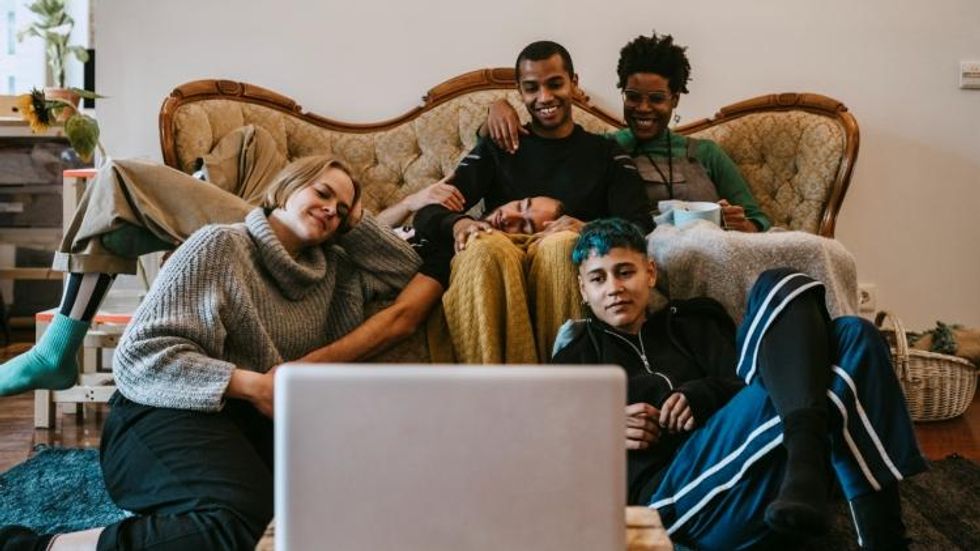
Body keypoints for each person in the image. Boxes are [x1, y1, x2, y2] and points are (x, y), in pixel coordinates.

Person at [0, 155, 427, 549]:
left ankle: (177, 518)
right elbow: (139, 357)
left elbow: (407, 269)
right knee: (233, 524)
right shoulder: (220, 244)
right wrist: (252, 385)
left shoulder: (338, 273)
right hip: (160, 410)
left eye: (343, 209)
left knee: (290, 519)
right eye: (323, 192)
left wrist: (358, 223)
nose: (332, 209)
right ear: (287, 187)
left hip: (240, 426)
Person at [552, 219, 926, 550]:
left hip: (760, 477)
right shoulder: (574, 360)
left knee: (848, 328)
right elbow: (547, 454)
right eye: (598, 279)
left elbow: (741, 380)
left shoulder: (694, 322)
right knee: (842, 353)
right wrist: (604, 428)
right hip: (674, 502)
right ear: (583, 290)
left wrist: (701, 394)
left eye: (625, 272)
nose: (614, 288)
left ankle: (864, 520)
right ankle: (810, 460)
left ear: (650, 273)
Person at [413, 40, 653, 364]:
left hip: (561, 252)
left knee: (561, 245)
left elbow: (639, 224)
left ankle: (561, 386)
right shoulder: (499, 147)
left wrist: (589, 227)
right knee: (482, 247)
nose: (544, 97)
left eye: (555, 84)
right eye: (531, 88)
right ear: (520, 91)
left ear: (574, 83)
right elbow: (428, 211)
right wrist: (459, 223)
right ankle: (489, 389)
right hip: (500, 252)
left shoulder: (605, 153)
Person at [484, 31, 771, 232]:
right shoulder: (603, 151)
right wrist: (495, 109)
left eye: (656, 99)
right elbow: (528, 159)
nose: (643, 108)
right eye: (633, 97)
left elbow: (759, 221)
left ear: (674, 99)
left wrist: (741, 224)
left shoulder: (705, 153)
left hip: (709, 253)